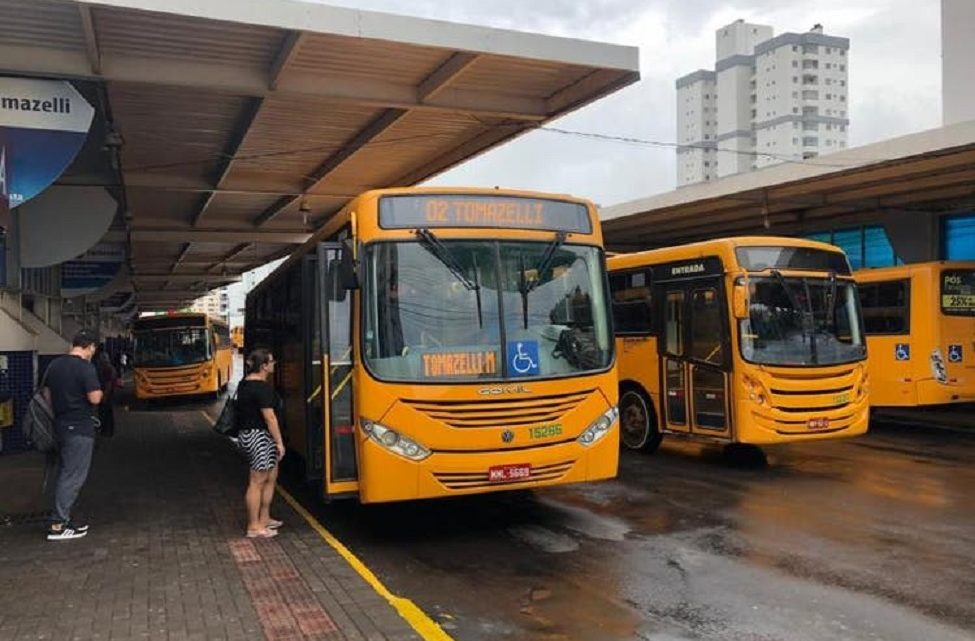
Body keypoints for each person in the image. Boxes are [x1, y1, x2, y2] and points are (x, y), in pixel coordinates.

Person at [42, 330, 103, 541]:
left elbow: (47, 395)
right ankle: (58, 524)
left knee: (64, 473)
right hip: (79, 428)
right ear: (91, 347)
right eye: (94, 348)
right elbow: (95, 398)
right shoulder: (86, 368)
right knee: (73, 476)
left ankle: (61, 517)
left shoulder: (55, 365)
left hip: (59, 426)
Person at [236, 348, 285, 538]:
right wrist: (279, 442)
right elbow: (270, 418)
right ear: (264, 366)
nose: (274, 364)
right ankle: (254, 526)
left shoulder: (244, 384)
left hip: (250, 435)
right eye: (272, 362)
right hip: (259, 437)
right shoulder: (262, 388)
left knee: (271, 477)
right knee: (257, 482)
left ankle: (264, 518)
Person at [94, 349, 119, 437]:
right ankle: (108, 431)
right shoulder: (110, 368)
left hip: (107, 394)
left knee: (105, 413)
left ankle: (106, 431)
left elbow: (108, 384)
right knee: (107, 413)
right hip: (108, 394)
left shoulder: (107, 369)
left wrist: (105, 396)